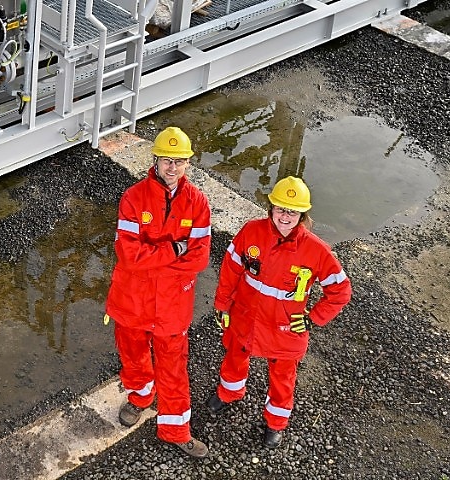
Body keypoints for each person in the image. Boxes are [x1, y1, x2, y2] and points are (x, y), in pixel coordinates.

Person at [206, 176, 351, 447]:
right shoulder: (251, 231)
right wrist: (222, 305)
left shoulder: (317, 250)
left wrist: (312, 318)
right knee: (235, 357)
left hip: (284, 327)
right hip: (245, 316)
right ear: (270, 208)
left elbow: (341, 290)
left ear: (302, 215)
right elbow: (230, 269)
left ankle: (275, 422)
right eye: (281, 209)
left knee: (283, 378)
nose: (285, 217)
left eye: (292, 212)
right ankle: (229, 394)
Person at [104, 126, 212, 458]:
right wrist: (174, 251)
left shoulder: (198, 203)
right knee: (133, 357)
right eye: (167, 160)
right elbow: (129, 256)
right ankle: (140, 397)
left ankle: (176, 430)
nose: (173, 168)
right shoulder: (133, 198)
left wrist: (157, 259)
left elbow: (199, 257)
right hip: (132, 300)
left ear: (187, 164)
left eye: (179, 162)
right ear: (156, 160)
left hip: (171, 305)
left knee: (173, 368)